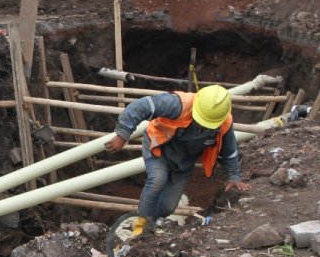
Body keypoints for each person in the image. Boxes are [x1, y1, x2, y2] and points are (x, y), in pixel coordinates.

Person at [104, 85, 251, 236]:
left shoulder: (224, 122)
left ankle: (152, 224)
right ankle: (140, 225)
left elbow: (229, 150)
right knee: (157, 181)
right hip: (159, 146)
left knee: (169, 206)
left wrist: (234, 176)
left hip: (184, 162)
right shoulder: (178, 104)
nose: (202, 125)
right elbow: (141, 106)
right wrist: (122, 134)